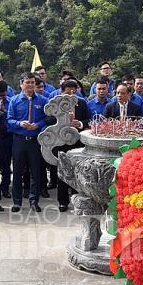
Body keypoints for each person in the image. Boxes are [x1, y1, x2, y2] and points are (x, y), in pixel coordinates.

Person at [7, 72, 49, 212]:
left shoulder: (42, 100)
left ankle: (34, 201)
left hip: (34, 141)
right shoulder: (14, 100)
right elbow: (9, 120)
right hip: (19, 140)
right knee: (18, 172)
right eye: (28, 82)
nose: (30, 85)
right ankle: (17, 202)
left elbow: (47, 119)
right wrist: (20, 124)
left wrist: (38, 125)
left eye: (32, 82)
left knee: (35, 172)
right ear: (21, 84)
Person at [54, 80, 90, 211]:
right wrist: (62, 118)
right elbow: (48, 120)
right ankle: (63, 201)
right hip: (62, 142)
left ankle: (77, 198)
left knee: (78, 172)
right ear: (62, 92)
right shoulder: (57, 104)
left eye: (73, 92)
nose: (70, 95)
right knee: (63, 172)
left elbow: (88, 119)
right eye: (67, 92)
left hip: (78, 142)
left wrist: (79, 123)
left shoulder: (82, 103)